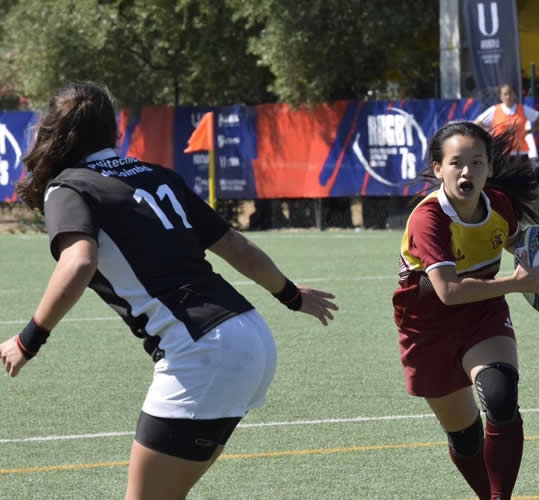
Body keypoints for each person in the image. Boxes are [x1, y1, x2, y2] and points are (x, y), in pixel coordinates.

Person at [0, 82, 339, 499]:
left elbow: (79, 262)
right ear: (114, 132)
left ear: (55, 133)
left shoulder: (69, 187)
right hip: (250, 336)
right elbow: (235, 246)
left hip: (202, 351)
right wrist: (290, 295)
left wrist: (28, 340)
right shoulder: (155, 174)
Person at [392, 120, 539, 500]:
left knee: (500, 396)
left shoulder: (498, 205)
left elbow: (517, 244)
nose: (467, 171)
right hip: (426, 325)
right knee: (466, 440)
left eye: (478, 162)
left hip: (482, 312)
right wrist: (517, 283)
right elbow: (448, 291)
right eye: (456, 163)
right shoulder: (428, 219)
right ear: (438, 169)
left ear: (490, 168)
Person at [475, 83, 539, 170]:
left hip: (521, 154)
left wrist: (530, 131)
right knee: (502, 182)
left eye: (510, 93)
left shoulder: (523, 109)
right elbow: (477, 123)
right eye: (505, 94)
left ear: (514, 95)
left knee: (522, 181)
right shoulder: (494, 110)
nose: (508, 96)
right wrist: (490, 132)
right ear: (501, 97)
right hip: (501, 154)